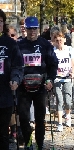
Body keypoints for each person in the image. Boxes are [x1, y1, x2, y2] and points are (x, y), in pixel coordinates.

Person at [17, 16, 58, 150]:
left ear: (38, 29)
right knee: (23, 118)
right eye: (29, 29)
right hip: (23, 88)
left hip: (41, 87)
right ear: (26, 29)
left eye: (34, 29)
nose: (32, 31)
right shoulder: (19, 45)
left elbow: (53, 64)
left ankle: (40, 144)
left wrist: (50, 80)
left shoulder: (45, 45)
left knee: (40, 119)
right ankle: (28, 142)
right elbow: (14, 65)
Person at [0, 9, 24, 150]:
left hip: (5, 95)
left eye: (1, 21)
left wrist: (15, 79)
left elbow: (18, 66)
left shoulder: (10, 43)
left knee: (3, 133)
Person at [53, 31, 74, 132]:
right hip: (57, 78)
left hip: (67, 77)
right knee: (59, 99)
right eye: (57, 41)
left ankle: (67, 115)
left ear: (64, 40)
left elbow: (73, 64)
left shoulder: (69, 49)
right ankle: (59, 123)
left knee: (68, 100)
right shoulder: (53, 51)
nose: (59, 42)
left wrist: (73, 72)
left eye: (60, 40)